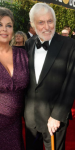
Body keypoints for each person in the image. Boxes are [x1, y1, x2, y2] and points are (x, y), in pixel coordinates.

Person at [24, 3, 75, 150]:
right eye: (41, 22)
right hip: (30, 118)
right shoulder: (28, 44)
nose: (47, 27)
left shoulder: (70, 46)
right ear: (33, 24)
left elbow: (71, 83)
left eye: (50, 21)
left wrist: (57, 116)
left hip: (54, 120)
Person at [0, 7, 29, 150]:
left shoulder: (23, 54)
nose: (4, 29)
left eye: (8, 25)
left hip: (16, 125)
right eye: (0, 25)